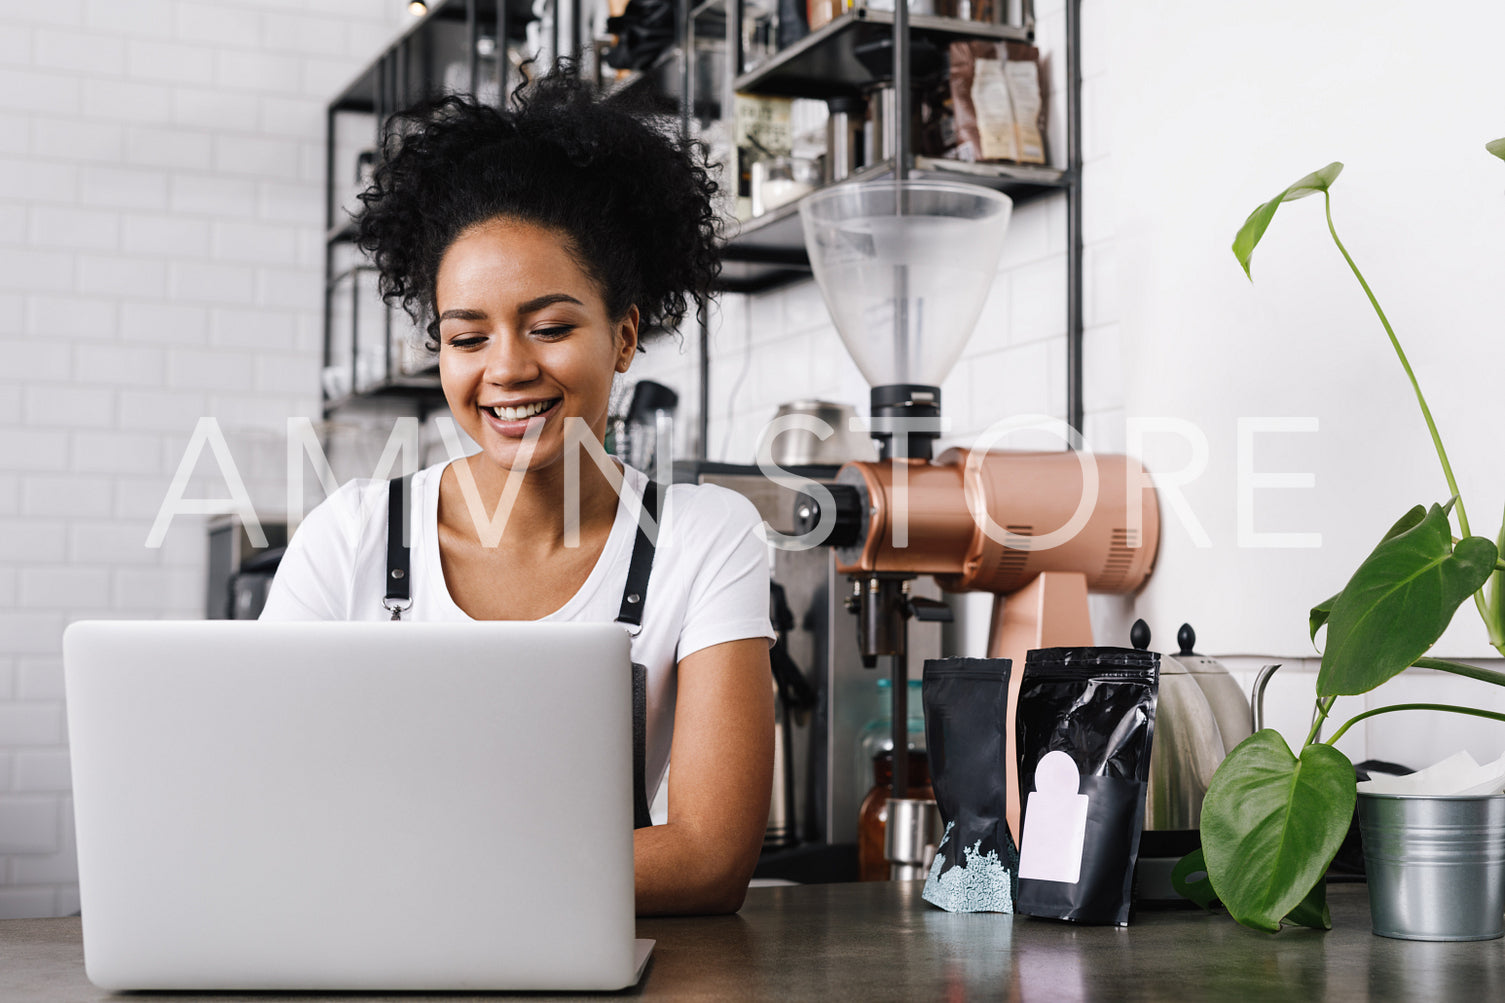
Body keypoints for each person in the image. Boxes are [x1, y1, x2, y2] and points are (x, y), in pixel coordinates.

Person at [260, 67, 775, 916]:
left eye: (550, 327)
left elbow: (708, 857)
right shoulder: (350, 535)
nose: (506, 369)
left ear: (623, 335)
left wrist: (415, 876)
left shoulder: (703, 538)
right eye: (468, 336)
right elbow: (267, 798)